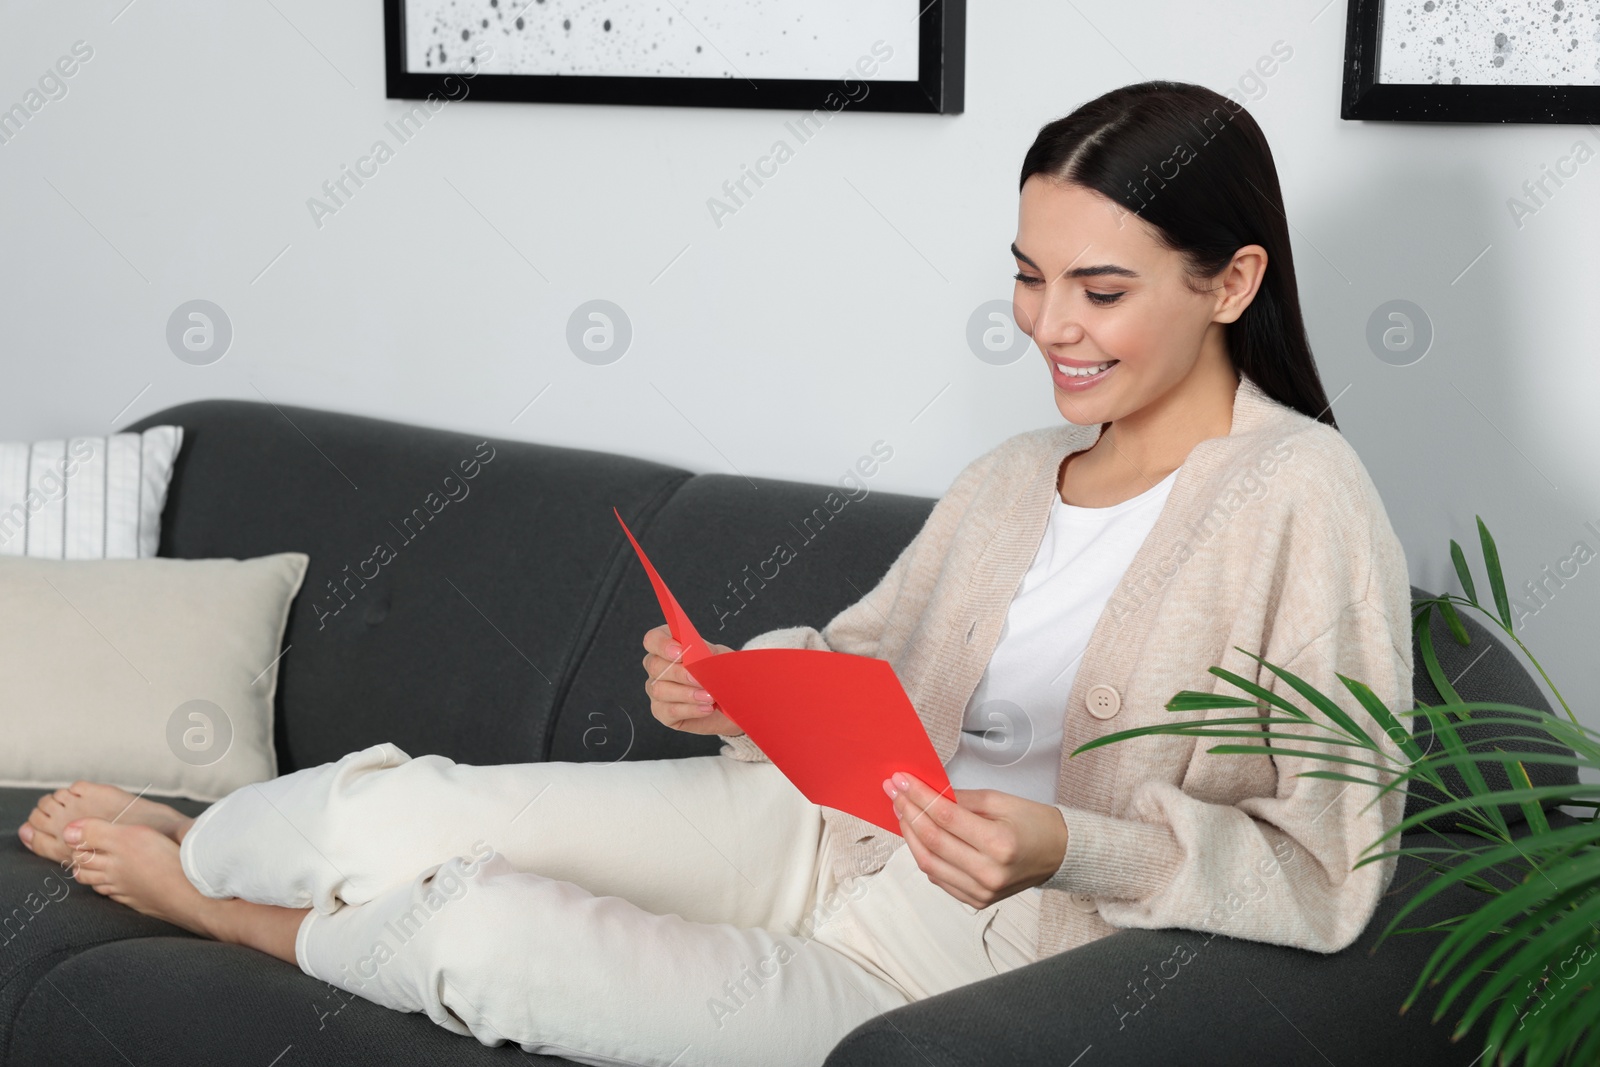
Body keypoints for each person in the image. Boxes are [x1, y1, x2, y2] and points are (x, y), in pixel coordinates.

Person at [15, 80, 1413, 1066]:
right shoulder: (1012, 474)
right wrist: (737, 687)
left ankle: (206, 906)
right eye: (1029, 276)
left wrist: (1067, 845)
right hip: (809, 832)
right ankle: (208, 842)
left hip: (950, 968)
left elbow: (1330, 870)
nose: (1049, 325)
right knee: (402, 812)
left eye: (1100, 291)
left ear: (1231, 283)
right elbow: (877, 661)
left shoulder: (1302, 502)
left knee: (490, 943)